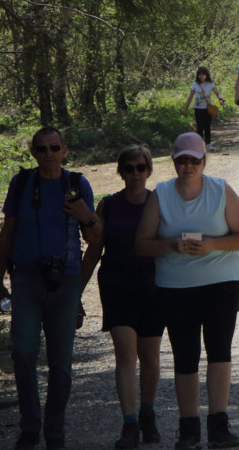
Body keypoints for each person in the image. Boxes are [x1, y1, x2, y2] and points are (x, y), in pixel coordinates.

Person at [135, 133, 239, 450]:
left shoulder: (220, 190)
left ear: (204, 161)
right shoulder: (160, 194)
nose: (188, 166)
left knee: (219, 352)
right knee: (184, 356)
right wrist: (173, 245)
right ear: (174, 161)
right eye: (182, 160)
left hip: (222, 282)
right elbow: (142, 244)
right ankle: (188, 428)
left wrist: (213, 244)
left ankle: (219, 424)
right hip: (175, 286)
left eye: (195, 160)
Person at [0, 127, 101, 450]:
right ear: (32, 151)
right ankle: (30, 427)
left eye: (54, 147)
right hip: (25, 279)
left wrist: (87, 217)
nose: (48, 154)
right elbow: (7, 232)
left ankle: (55, 432)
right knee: (23, 353)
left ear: (64, 150)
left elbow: (96, 243)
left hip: (65, 281)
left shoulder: (77, 184)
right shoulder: (22, 183)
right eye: (41, 149)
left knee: (60, 361)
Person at [88, 146, 164, 450]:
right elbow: (94, 249)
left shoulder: (160, 204)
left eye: (141, 168)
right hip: (117, 283)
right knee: (124, 353)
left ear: (149, 171)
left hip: (152, 286)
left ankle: (147, 413)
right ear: (120, 171)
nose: (135, 174)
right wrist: (75, 291)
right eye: (129, 168)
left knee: (150, 357)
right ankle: (130, 422)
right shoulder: (108, 205)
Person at [184, 66, 226, 148]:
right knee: (199, 127)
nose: (202, 76)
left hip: (207, 108)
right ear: (197, 75)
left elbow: (217, 93)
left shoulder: (210, 84)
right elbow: (190, 97)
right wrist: (186, 109)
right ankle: (199, 145)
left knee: (207, 126)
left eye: (203, 74)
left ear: (206, 75)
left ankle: (208, 143)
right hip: (198, 108)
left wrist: (220, 99)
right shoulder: (194, 85)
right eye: (200, 74)